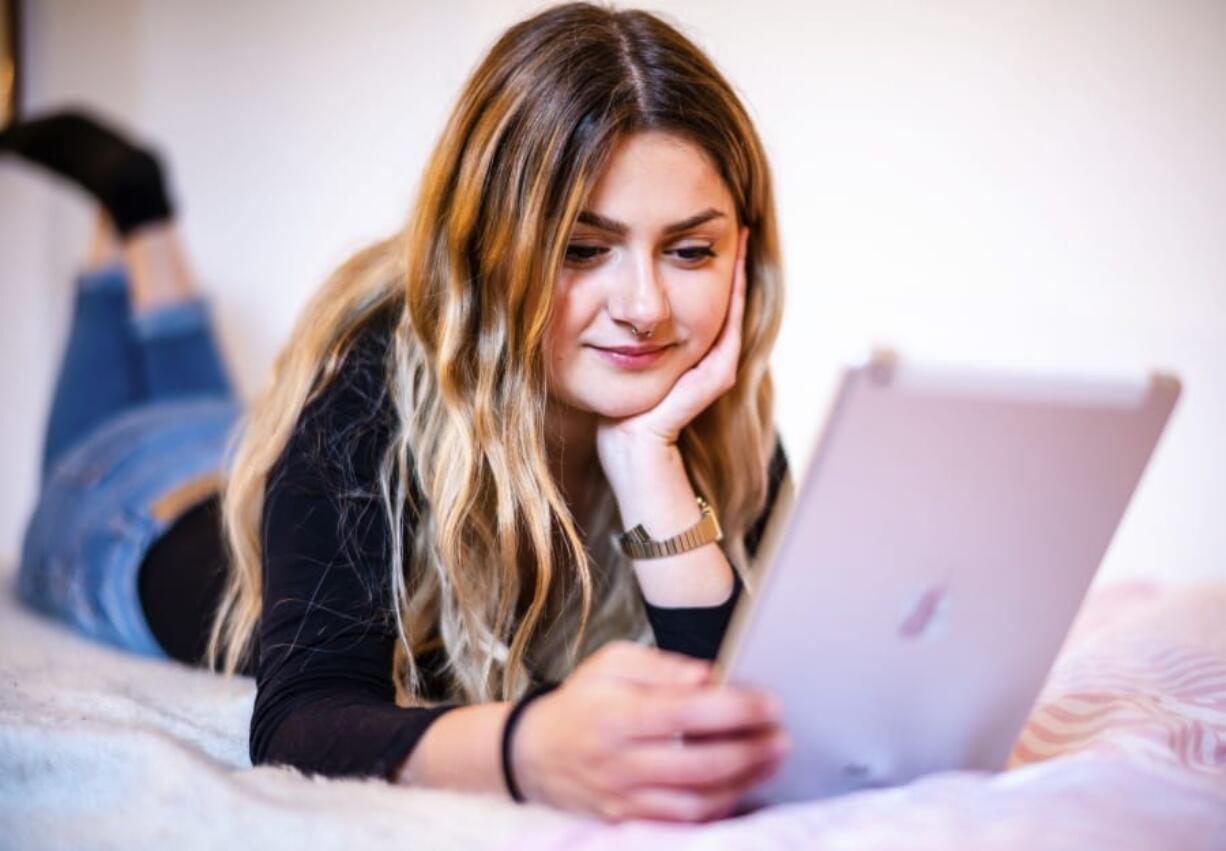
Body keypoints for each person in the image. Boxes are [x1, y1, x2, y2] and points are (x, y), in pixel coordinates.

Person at [11, 2, 794, 823]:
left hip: (251, 450)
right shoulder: (374, 374)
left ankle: (138, 226)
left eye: (692, 249)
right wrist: (525, 747)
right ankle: (137, 221)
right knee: (131, 423)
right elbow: (299, 719)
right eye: (581, 247)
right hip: (125, 506)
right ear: (494, 247)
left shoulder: (715, 417)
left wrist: (648, 463)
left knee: (216, 411)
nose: (646, 308)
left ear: (744, 246)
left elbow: (742, 712)